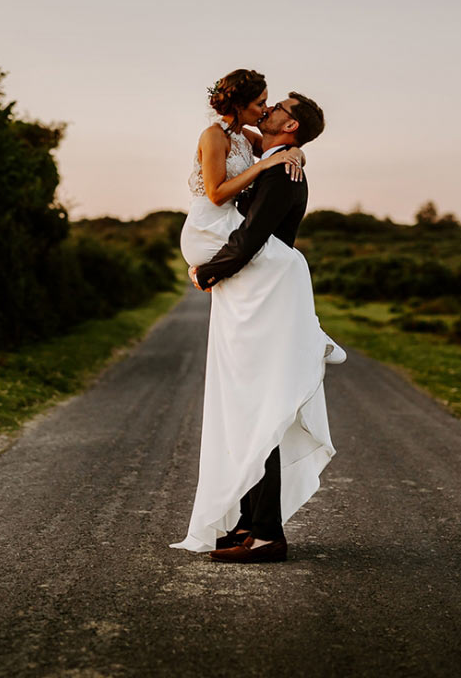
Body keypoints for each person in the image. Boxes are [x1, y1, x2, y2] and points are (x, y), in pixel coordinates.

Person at [170, 69, 339, 563]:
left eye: (277, 108)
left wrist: (208, 272)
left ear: (289, 127)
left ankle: (267, 534)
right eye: (264, 103)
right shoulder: (268, 156)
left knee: (260, 408)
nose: (268, 111)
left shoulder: (285, 173)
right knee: (248, 408)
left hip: (265, 297)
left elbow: (252, 239)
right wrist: (287, 153)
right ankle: (248, 524)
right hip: (255, 296)